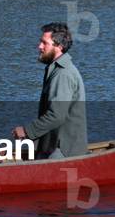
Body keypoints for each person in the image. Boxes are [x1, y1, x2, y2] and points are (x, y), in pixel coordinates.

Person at [11, 23, 88, 159]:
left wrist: (26, 131)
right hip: (52, 146)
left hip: (63, 152)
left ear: (59, 46)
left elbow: (56, 116)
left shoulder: (63, 74)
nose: (39, 47)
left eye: (44, 43)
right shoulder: (57, 70)